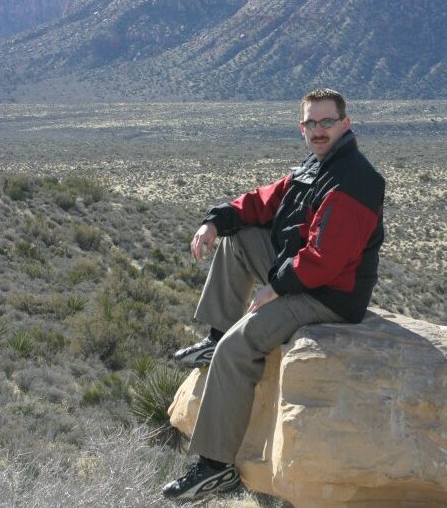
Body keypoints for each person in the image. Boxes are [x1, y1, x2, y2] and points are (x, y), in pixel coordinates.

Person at [162, 88, 385, 501]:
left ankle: (215, 466)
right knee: (238, 236)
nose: (318, 131)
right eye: (310, 123)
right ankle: (215, 337)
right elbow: (264, 202)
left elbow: (326, 260)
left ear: (345, 124)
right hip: (302, 275)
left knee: (239, 347)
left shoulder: (356, 180)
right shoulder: (316, 166)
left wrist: (275, 288)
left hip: (329, 297)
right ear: (302, 128)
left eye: (326, 122)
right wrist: (215, 220)